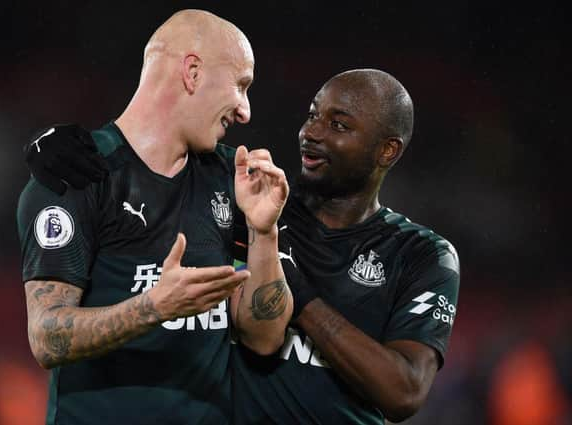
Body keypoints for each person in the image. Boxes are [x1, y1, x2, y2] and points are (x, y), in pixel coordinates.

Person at [25, 69, 460, 423]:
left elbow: (403, 392)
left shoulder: (420, 254)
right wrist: (58, 144)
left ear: (387, 151)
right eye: (312, 116)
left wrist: (297, 293)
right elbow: (155, 156)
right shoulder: (249, 203)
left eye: (339, 125)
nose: (312, 133)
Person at [16, 9, 291, 425]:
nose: (245, 111)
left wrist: (263, 230)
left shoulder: (231, 180)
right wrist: (154, 307)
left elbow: (264, 338)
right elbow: (47, 337)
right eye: (241, 85)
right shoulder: (78, 174)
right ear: (193, 72)